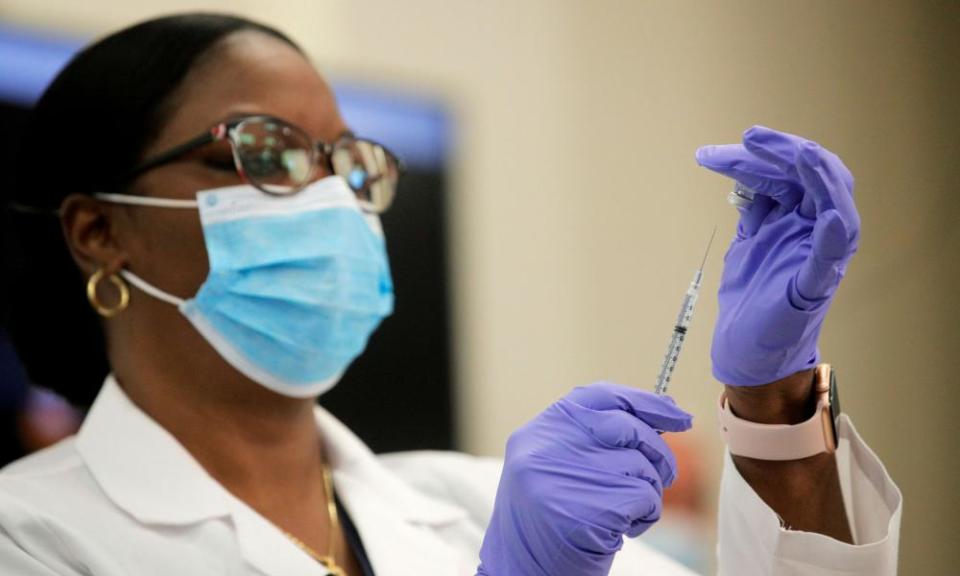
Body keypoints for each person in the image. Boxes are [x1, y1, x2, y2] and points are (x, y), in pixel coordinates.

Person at [0, 13, 901, 576]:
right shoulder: (31, 540)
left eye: (349, 163)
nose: (328, 198)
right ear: (98, 230)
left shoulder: (481, 501)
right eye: (266, 151)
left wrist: (775, 409)